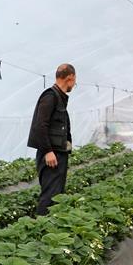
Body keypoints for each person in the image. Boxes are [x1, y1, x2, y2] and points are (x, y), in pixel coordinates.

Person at [27, 64, 77, 215]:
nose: (74, 85)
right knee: (50, 196)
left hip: (58, 153)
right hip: (51, 156)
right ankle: (42, 230)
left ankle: (51, 228)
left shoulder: (59, 98)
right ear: (70, 78)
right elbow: (40, 125)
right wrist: (48, 151)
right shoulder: (50, 96)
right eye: (75, 81)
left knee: (56, 196)